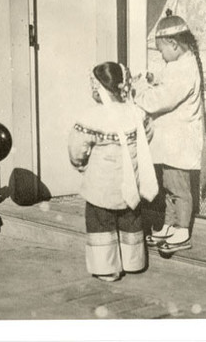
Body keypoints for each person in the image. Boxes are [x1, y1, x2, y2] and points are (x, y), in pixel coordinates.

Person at [68, 62, 158, 282]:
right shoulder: (137, 112)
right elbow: (147, 136)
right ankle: (133, 261)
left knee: (101, 221)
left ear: (97, 88)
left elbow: (76, 148)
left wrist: (81, 165)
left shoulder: (91, 117)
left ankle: (108, 268)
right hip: (131, 179)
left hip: (102, 181)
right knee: (130, 216)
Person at [133, 9, 206, 254]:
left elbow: (160, 99)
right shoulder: (178, 64)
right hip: (170, 142)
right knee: (168, 186)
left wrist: (139, 91)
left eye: (162, 49)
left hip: (179, 141)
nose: (161, 55)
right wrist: (150, 79)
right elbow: (164, 83)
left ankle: (182, 229)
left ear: (174, 44)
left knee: (178, 188)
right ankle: (169, 224)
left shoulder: (184, 69)